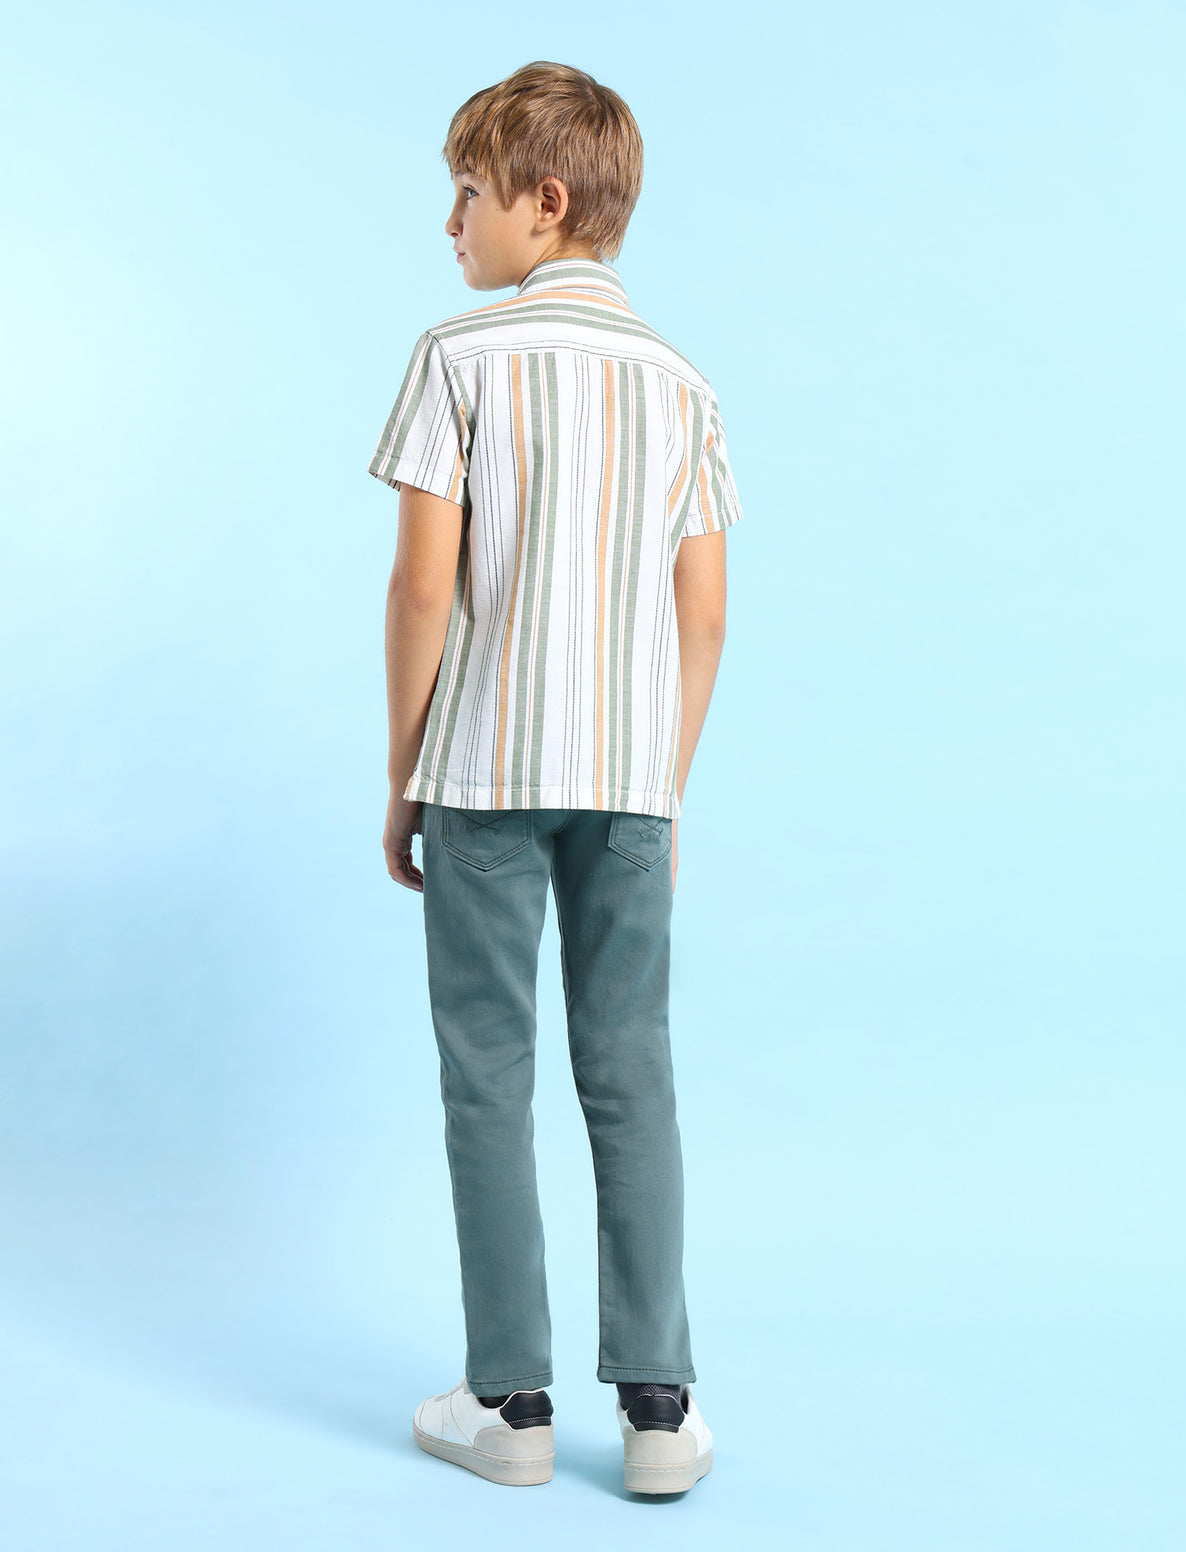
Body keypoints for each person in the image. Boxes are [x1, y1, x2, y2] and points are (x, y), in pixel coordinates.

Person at [367, 60, 744, 1495]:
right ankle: (658, 1409)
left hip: (484, 767)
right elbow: (705, 616)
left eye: (466, 193)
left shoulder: (459, 357)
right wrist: (664, 778)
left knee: (487, 1071)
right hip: (629, 782)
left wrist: (403, 771)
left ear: (544, 199)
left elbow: (423, 588)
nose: (450, 224)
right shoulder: (684, 386)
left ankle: (510, 1404)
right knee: (631, 1070)